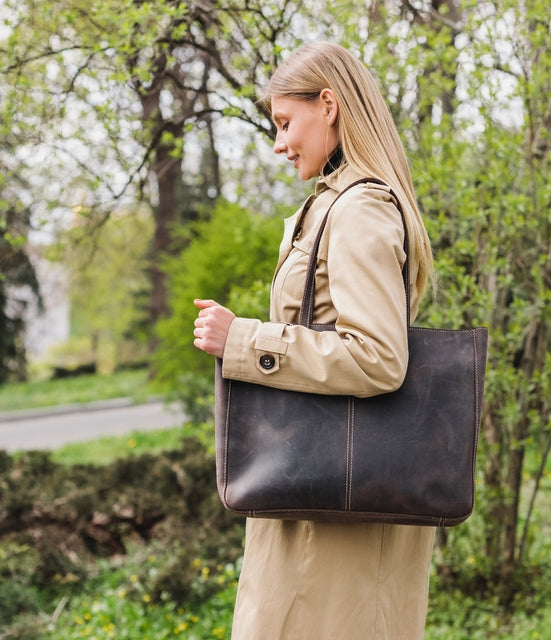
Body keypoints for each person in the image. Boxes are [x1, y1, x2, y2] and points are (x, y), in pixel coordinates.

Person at [193, 41, 436, 640]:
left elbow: (378, 359)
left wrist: (243, 341)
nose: (278, 143)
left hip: (334, 514)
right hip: (319, 491)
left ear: (328, 104)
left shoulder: (359, 209)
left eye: (284, 122)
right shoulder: (333, 205)